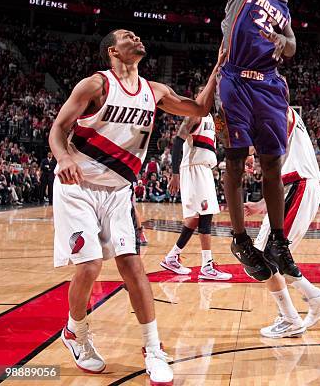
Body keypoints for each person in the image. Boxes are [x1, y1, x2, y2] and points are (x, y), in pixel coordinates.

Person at [49, 28, 223, 384]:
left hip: (118, 191)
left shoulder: (154, 91)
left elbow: (200, 107)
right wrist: (63, 156)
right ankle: (76, 334)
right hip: (78, 186)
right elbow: (57, 129)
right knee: (90, 265)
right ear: (113, 50)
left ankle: (153, 348)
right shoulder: (94, 85)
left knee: (132, 266)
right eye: (129, 36)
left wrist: (219, 66)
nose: (138, 38)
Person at [216, 0, 299, 283]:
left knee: (273, 164)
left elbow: (291, 45)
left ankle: (280, 242)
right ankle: (241, 239)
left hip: (269, 85)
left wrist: (284, 44)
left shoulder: (282, 7)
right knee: (234, 156)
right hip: (235, 79)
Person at [244, 107, 320, 337]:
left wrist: (249, 149)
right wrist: (260, 205)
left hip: (300, 185)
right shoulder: (274, 114)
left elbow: (276, 131)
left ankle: (291, 319)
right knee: (262, 258)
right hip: (291, 188)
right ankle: (314, 298)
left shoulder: (279, 109)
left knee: (267, 257)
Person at [160, 105, 232, 280]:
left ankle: (172, 257)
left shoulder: (213, 120)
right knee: (205, 215)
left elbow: (225, 140)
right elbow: (177, 143)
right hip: (194, 169)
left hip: (203, 169)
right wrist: (174, 173)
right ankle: (207, 266)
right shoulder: (194, 115)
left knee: (195, 218)